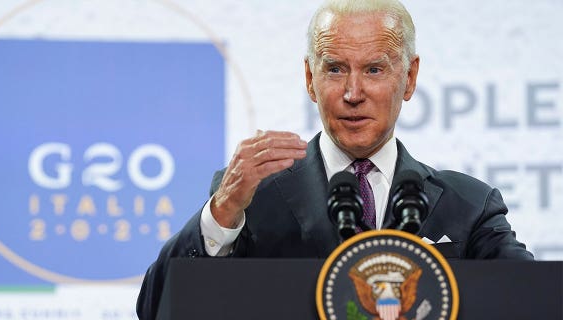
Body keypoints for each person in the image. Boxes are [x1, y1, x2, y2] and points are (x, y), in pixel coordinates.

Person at [136, 0, 533, 318]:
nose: (353, 92)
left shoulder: (469, 205)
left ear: (409, 78)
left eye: (374, 69)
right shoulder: (253, 196)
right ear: (310, 78)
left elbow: (533, 301)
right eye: (335, 69)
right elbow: (156, 309)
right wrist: (220, 212)